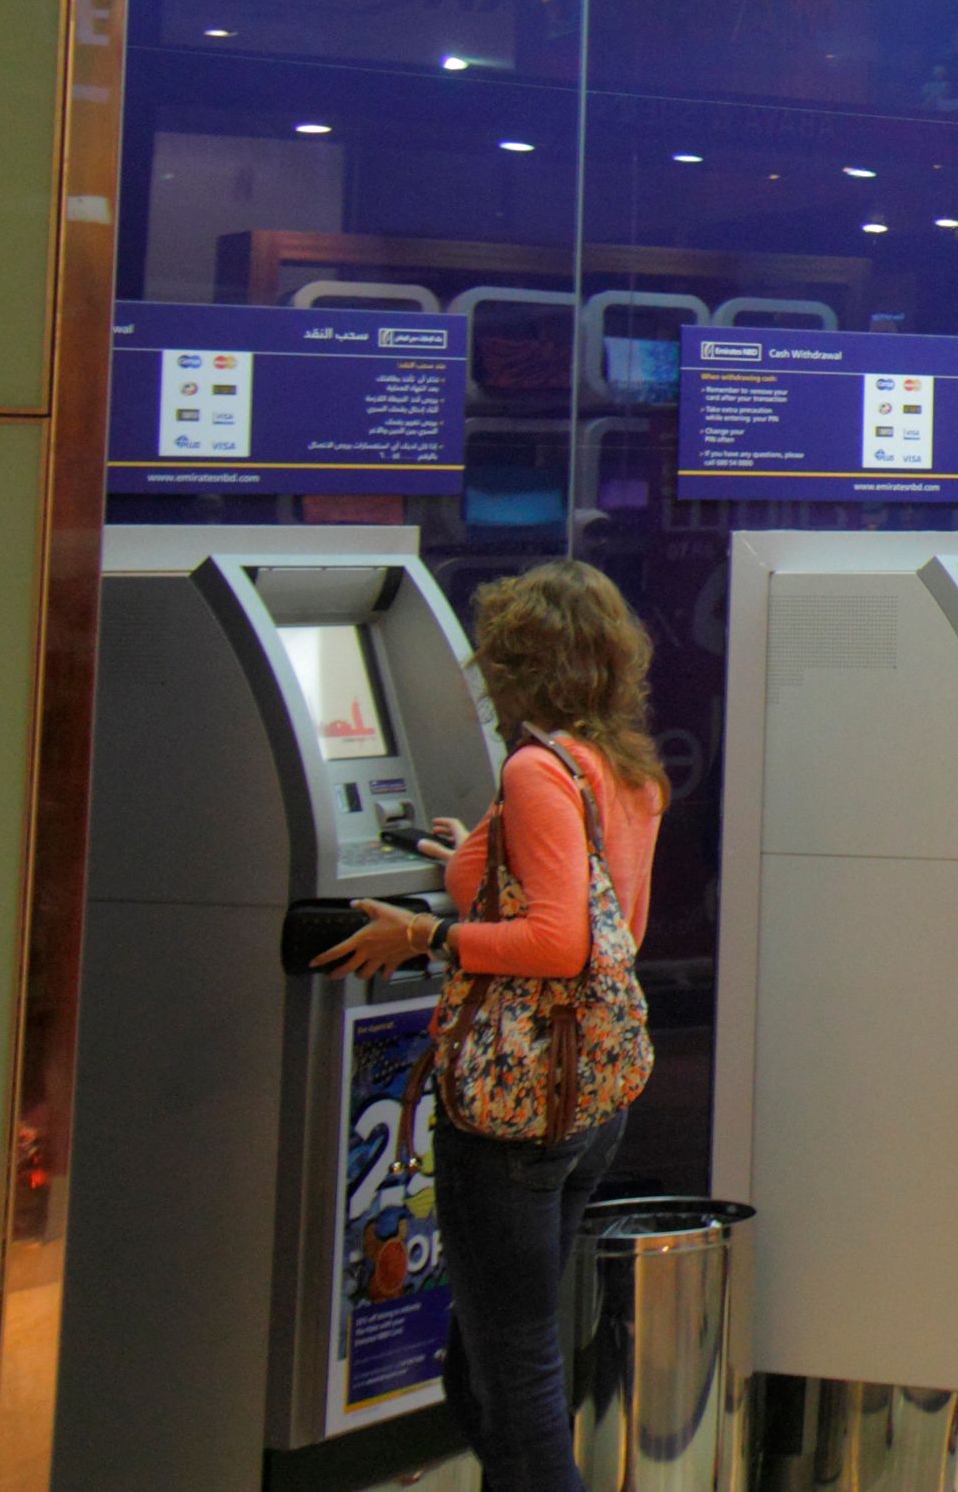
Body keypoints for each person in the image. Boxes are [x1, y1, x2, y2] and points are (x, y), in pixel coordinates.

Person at [312, 560, 669, 1492]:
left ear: (516, 666)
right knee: (485, 1367)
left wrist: (426, 932)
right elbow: (614, 927)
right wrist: (462, 856)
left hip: (516, 1108)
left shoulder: (537, 769)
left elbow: (557, 941)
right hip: (591, 1101)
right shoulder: (626, 771)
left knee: (514, 1378)